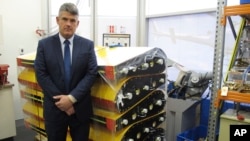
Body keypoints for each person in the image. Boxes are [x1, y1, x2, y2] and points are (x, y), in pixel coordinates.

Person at [34, 2, 98, 141]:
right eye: (65, 19)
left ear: (77, 23)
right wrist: (63, 102)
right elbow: (41, 74)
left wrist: (71, 99)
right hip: (54, 109)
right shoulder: (44, 45)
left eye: (72, 20)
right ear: (58, 20)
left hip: (79, 108)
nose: (68, 24)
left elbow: (91, 73)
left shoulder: (87, 45)